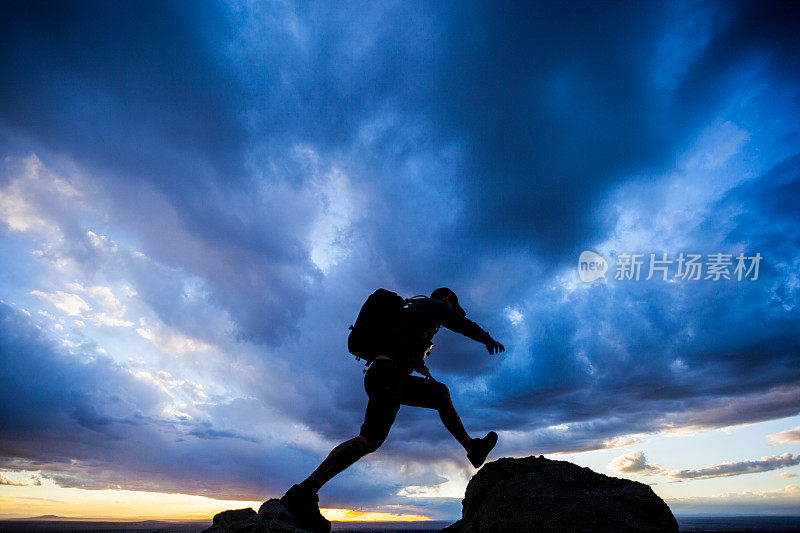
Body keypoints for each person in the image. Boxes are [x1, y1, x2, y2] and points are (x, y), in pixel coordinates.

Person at [280, 287, 505, 533]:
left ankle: (304, 491)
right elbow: (459, 323)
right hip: (388, 377)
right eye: (452, 307)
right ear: (447, 299)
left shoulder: (411, 314)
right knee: (374, 436)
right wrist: (486, 339)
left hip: (385, 377)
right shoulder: (434, 305)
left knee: (372, 438)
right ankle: (303, 492)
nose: (449, 314)